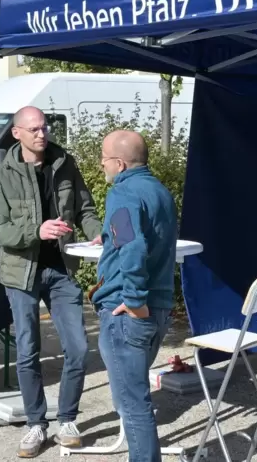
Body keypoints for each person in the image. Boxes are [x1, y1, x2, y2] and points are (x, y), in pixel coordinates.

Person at [0, 106, 102, 458]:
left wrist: (96, 234)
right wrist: (36, 231)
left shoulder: (65, 163)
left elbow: (85, 209)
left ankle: (67, 418)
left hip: (62, 270)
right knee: (27, 350)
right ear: (17, 133)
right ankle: (36, 424)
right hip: (22, 272)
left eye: (44, 127)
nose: (42, 133)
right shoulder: (2, 175)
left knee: (79, 348)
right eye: (33, 129)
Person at [92, 130, 178, 462]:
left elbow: (133, 244)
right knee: (134, 397)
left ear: (119, 162)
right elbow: (147, 240)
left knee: (132, 402)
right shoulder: (160, 191)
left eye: (103, 159)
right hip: (157, 307)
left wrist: (134, 298)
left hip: (128, 309)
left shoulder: (123, 192)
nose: (102, 165)